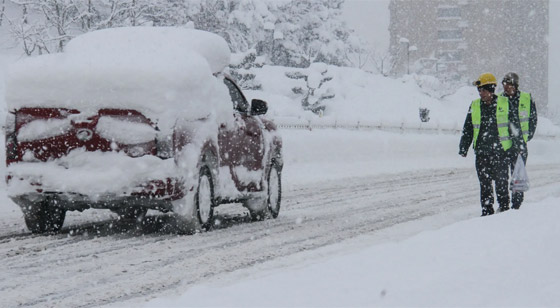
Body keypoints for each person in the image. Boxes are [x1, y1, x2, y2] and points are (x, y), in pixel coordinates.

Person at [459, 73, 525, 216]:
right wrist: (464, 147)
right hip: (482, 152)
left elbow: (515, 127)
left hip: (500, 152)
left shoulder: (505, 104)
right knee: (485, 184)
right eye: (479, 90)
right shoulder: (475, 105)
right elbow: (468, 128)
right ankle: (487, 210)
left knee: (501, 183)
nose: (481, 93)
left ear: (490, 89)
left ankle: (504, 208)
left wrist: (519, 145)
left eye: (483, 90)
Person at [500, 72, 538, 209]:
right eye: (504, 85)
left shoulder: (526, 99)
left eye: (508, 85)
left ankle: (516, 204)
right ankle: (504, 203)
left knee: (518, 175)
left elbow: (533, 119)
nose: (506, 88)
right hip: (504, 145)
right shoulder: (499, 99)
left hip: (520, 144)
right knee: (502, 176)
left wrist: (526, 137)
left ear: (515, 85)